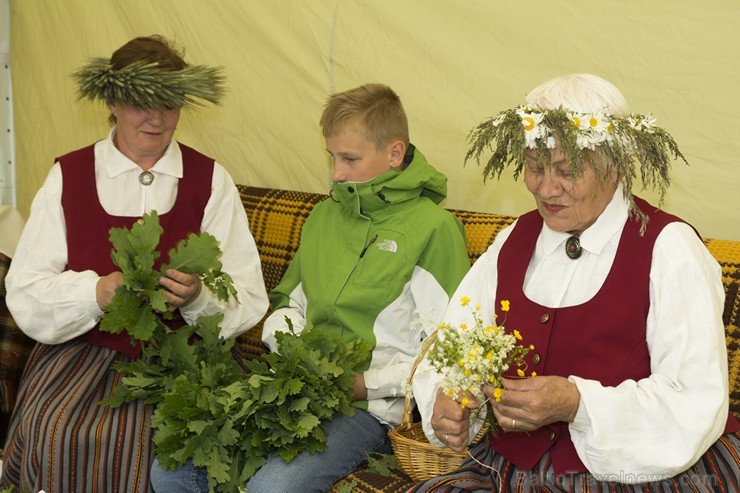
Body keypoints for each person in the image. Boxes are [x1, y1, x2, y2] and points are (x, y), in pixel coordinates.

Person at [410, 73, 739, 491]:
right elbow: (455, 345)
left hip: (637, 473)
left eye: (567, 171)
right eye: (534, 167)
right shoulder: (514, 240)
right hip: (510, 467)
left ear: (616, 165)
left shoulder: (670, 249)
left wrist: (577, 403)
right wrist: (449, 398)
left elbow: (694, 401)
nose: (546, 188)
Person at [150, 83, 471, 492]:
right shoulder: (322, 216)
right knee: (172, 469)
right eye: (332, 157)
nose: (336, 173)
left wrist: (364, 383)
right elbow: (285, 306)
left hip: (372, 410)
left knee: (274, 488)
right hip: (296, 387)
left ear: (394, 153)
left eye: (350, 159)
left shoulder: (435, 230)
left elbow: (451, 351)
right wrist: (299, 355)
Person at [0, 35, 269, 493]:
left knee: (181, 438)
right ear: (112, 100)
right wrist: (96, 292)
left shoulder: (210, 180)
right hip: (81, 353)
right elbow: (25, 290)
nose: (157, 118)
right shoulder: (69, 175)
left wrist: (200, 298)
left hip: (184, 359)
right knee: (63, 430)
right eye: (141, 102)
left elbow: (248, 293)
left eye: (169, 102)